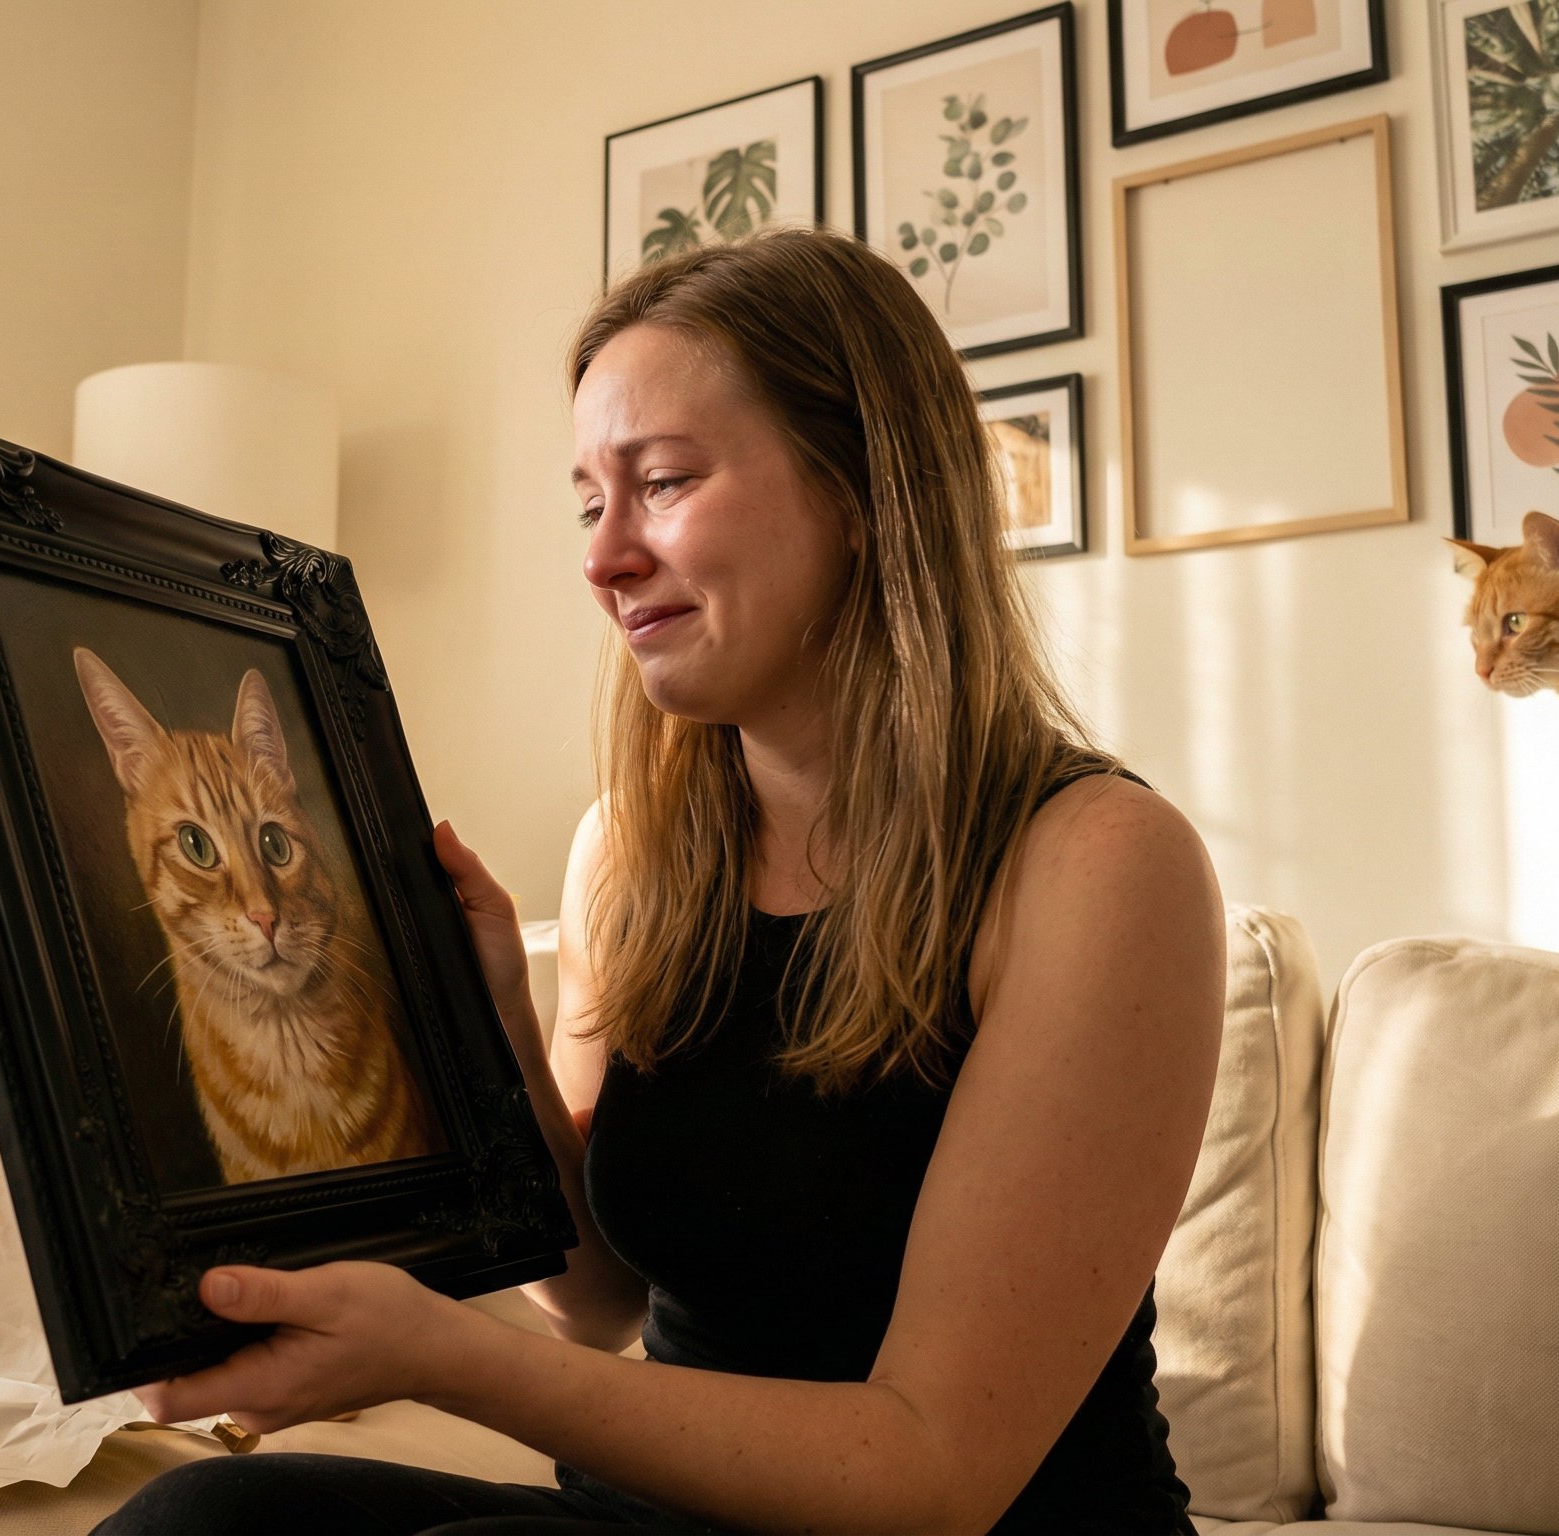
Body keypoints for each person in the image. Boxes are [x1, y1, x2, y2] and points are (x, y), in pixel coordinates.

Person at [92, 226, 1226, 1536]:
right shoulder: (630, 851)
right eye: (589, 502)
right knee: (191, 1529)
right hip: (654, 1518)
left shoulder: (1098, 867)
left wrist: (436, 1355)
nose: (603, 557)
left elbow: (932, 1472)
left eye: (665, 483)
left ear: (861, 493)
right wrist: (500, 1036)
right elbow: (597, 1300)